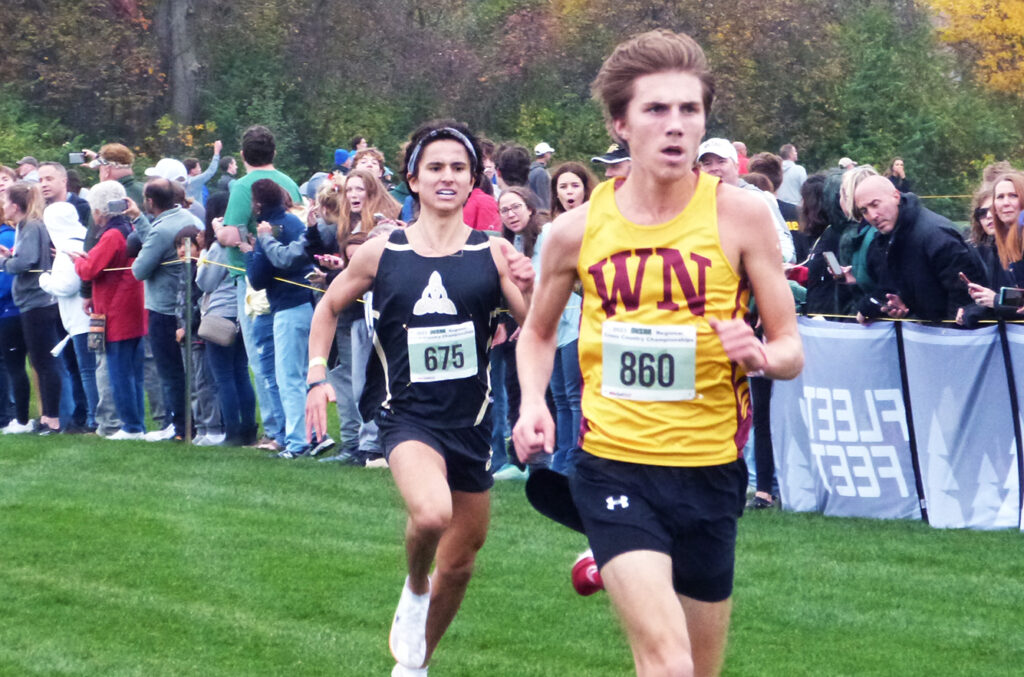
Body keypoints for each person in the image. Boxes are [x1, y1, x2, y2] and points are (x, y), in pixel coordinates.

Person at [512, 30, 803, 677]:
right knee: (667, 661)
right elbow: (536, 332)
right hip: (614, 466)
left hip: (711, 474)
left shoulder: (742, 216)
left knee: (697, 670)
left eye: (689, 110)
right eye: (656, 110)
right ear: (621, 123)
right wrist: (532, 401)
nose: (676, 126)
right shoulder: (575, 230)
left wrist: (758, 352)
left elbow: (791, 349)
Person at [305, 120, 533, 677]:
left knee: (460, 564)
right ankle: (413, 585)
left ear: (474, 178)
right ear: (413, 178)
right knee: (432, 515)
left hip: (473, 421)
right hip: (406, 416)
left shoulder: (494, 251)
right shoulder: (383, 252)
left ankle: (415, 665)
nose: (447, 177)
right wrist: (317, 375)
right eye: (435, 167)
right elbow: (328, 307)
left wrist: (530, 287)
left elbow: (536, 328)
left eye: (459, 167)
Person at [851, 174, 985, 323]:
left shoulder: (936, 235)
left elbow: (964, 299)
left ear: (896, 196)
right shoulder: (886, 237)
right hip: (921, 335)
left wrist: (947, 339)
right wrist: (889, 304)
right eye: (864, 211)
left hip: (952, 336)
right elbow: (891, 286)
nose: (872, 215)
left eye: (875, 204)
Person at [72, 181, 148, 440]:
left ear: (100, 211)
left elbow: (91, 269)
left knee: (119, 371)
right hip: (134, 305)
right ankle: (137, 423)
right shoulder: (130, 228)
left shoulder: (111, 235)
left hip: (116, 309)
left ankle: (131, 426)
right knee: (134, 372)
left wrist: (78, 262)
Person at [0, 182, 65, 435]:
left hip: (36, 302)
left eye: (5, 202)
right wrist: (11, 256)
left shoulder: (30, 225)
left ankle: (52, 419)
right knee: (41, 361)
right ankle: (48, 418)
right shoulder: (31, 226)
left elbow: (26, 262)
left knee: (44, 362)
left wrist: (6, 261)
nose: (3, 206)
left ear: (15, 206)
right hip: (36, 301)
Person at [133, 178, 192, 441]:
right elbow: (158, 247)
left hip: (165, 308)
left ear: (150, 201)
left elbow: (139, 269)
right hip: (189, 303)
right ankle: (198, 422)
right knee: (194, 370)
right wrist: (138, 219)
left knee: (170, 372)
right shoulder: (186, 217)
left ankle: (180, 428)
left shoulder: (161, 230)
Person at [197, 193, 258, 446]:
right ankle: (249, 428)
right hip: (243, 312)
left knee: (224, 376)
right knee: (241, 372)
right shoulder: (246, 237)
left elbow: (204, 282)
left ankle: (232, 430)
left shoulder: (220, 245)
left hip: (221, 314)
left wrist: (206, 249)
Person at [959, 174, 1024, 326]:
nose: (1006, 203)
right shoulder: (995, 246)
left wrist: (995, 300)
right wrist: (977, 307)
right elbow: (1017, 298)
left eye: (1013, 196)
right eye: (1000, 197)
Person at [184, 139, 223, 205]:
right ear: (192, 171)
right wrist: (216, 153)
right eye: (198, 167)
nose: (200, 169)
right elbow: (210, 171)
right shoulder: (195, 181)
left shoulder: (183, 181)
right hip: (196, 213)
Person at [529, 142, 555, 208]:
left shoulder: (531, 170)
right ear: (545, 154)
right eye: (549, 153)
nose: (550, 155)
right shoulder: (540, 172)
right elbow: (543, 196)